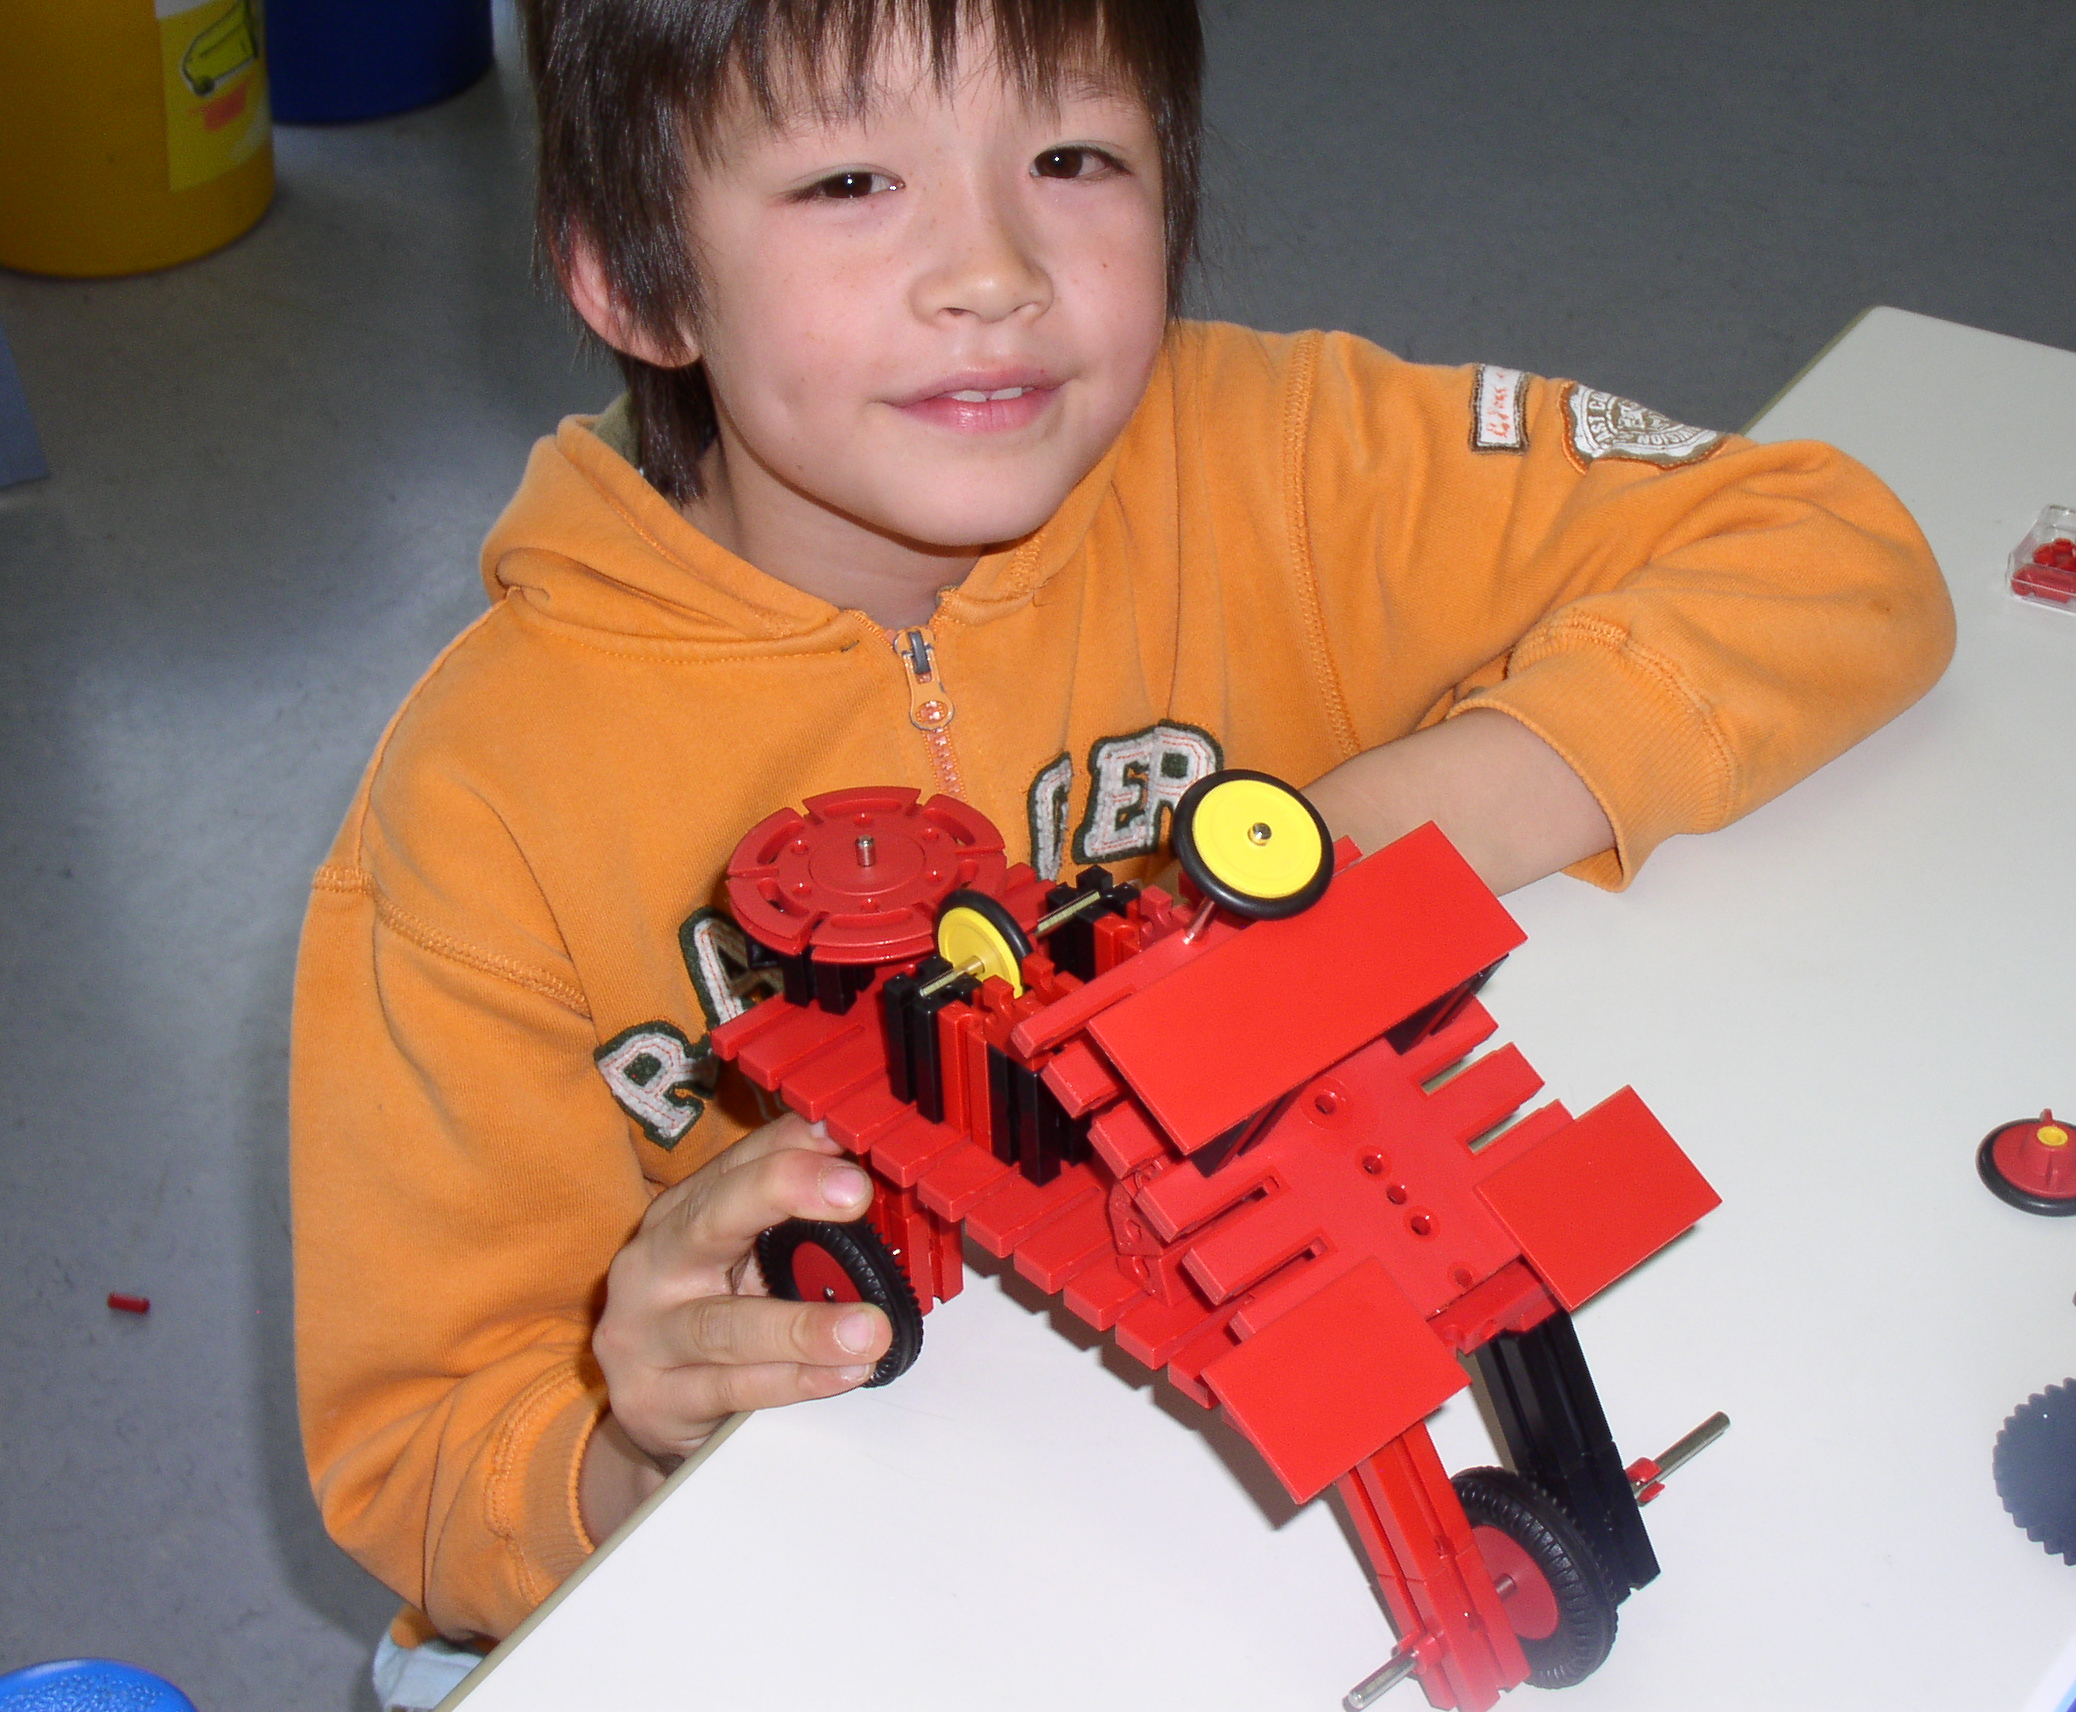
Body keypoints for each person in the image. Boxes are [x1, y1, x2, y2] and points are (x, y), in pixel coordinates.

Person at [291, 0, 1954, 1698]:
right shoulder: (482, 807)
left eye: (1073, 157)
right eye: (852, 181)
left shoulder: (1284, 459)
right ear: (632, 279)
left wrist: (1369, 835)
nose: (994, 270)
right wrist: (633, 1442)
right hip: (802, 1588)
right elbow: (419, 1463)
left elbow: (1828, 543)